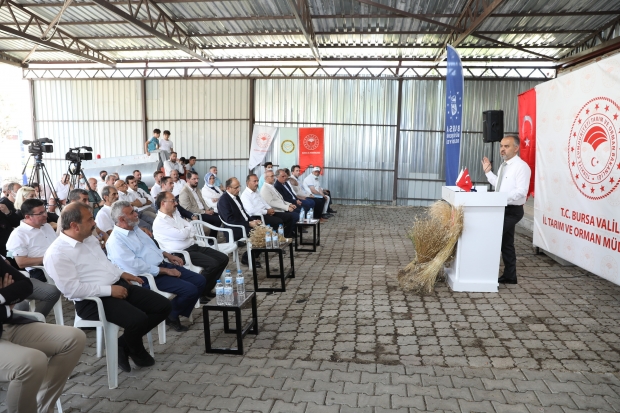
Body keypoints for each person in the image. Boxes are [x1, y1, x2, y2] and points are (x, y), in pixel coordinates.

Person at [44, 203, 172, 373]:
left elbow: (104, 264)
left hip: (117, 285)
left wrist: (121, 273)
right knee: (137, 319)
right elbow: (72, 290)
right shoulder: (56, 253)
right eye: (90, 219)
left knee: (163, 306)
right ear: (74, 226)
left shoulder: (88, 237)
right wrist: (109, 290)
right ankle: (136, 350)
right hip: (92, 301)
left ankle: (122, 345)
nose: (95, 223)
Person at [0, 258, 86, 413]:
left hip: (7, 325)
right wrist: (6, 302)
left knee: (74, 338)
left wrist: (2, 297)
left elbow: (25, 285)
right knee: (32, 362)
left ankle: (43, 408)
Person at [106, 201, 206, 332]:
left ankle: (171, 311)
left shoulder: (135, 229)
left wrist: (167, 255)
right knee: (190, 290)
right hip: (148, 276)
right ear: (121, 219)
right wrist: (164, 271)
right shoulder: (115, 241)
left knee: (200, 281)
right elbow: (135, 267)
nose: (136, 214)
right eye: (132, 213)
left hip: (163, 265)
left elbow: (151, 247)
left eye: (134, 210)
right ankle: (170, 314)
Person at [153, 192, 229, 300]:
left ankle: (205, 289)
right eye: (173, 201)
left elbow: (191, 227)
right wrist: (185, 232)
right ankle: (200, 292)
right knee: (213, 264)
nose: (176, 203)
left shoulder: (175, 214)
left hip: (193, 246)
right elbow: (181, 235)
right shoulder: (159, 222)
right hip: (180, 253)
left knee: (223, 258)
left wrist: (185, 232)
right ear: (163, 203)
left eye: (176, 200)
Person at [481, 135, 531, 285]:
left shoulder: (521, 167)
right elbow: (499, 186)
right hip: (502, 208)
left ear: (516, 148)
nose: (502, 149)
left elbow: (522, 191)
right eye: (501, 146)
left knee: (493, 237)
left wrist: (501, 198)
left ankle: (484, 273)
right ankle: (510, 276)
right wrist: (488, 173)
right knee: (506, 243)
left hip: (513, 211)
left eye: (506, 146)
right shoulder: (504, 165)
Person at [5, 198, 62, 316]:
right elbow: (21, 262)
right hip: (40, 271)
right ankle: (35, 319)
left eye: (45, 211)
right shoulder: (19, 234)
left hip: (58, 264)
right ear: (27, 217)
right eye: (40, 213)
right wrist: (48, 258)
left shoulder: (46, 226)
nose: (45, 215)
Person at [217, 177, 263, 267]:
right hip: (234, 228)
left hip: (242, 224)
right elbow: (229, 220)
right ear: (228, 188)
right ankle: (247, 258)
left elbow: (243, 213)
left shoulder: (236, 196)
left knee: (264, 230)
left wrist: (252, 220)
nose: (239, 189)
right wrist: (249, 224)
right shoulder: (223, 200)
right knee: (260, 234)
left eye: (239, 186)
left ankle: (252, 254)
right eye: (236, 187)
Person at [258, 171, 297, 236]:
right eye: (272, 176)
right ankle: (287, 235)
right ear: (266, 178)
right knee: (293, 216)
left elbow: (281, 199)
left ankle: (290, 233)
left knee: (295, 212)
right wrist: (287, 207)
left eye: (273, 176)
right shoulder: (265, 189)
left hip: (281, 208)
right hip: (275, 210)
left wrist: (289, 204)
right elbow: (271, 203)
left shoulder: (271, 186)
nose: (274, 178)